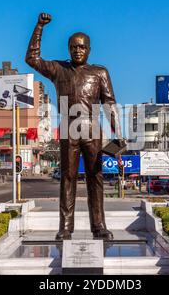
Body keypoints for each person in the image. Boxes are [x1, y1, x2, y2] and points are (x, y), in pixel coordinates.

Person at [26, 13, 125, 241]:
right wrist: (39, 26)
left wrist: (117, 133)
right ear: (68, 49)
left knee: (95, 177)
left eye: (82, 47)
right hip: (68, 129)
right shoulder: (58, 69)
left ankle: (99, 226)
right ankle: (65, 227)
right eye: (73, 47)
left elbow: (110, 102)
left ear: (89, 49)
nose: (77, 51)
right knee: (67, 179)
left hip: (92, 130)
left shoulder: (100, 72)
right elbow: (32, 58)